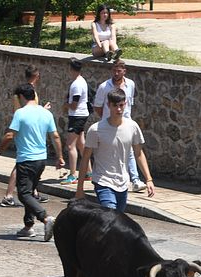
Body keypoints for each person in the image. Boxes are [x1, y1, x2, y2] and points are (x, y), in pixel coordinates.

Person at [0, 83, 62, 240]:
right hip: (41, 160)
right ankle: (28, 226)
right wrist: (60, 157)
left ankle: (45, 218)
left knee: (23, 194)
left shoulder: (20, 113)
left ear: (21, 97)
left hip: (26, 159)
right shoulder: (45, 113)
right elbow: (55, 136)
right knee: (29, 192)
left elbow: (10, 135)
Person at [76, 88, 154, 211]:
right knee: (110, 214)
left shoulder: (132, 127)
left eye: (121, 105)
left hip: (123, 183)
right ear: (108, 105)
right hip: (103, 181)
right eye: (115, 105)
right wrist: (80, 188)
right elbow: (85, 159)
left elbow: (139, 154)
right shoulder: (96, 130)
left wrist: (148, 179)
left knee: (116, 220)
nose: (118, 109)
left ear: (125, 104)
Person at [1, 65, 50, 207]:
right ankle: (9, 195)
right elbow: (27, 110)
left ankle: (33, 192)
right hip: (27, 127)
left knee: (26, 162)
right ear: (36, 75)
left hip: (24, 125)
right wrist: (43, 110)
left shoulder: (22, 89)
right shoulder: (29, 91)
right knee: (21, 163)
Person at [93, 59, 144, 192]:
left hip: (126, 123)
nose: (116, 73)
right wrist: (108, 119)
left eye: (119, 71)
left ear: (124, 71)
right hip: (109, 125)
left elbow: (129, 103)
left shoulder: (130, 85)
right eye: (114, 70)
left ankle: (135, 179)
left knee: (131, 151)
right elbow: (98, 106)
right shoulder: (104, 87)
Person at [62, 58, 90, 186]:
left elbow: (74, 105)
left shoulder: (76, 84)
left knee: (70, 145)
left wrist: (65, 105)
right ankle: (89, 172)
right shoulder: (81, 81)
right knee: (81, 144)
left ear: (71, 69)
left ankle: (73, 174)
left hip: (77, 116)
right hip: (81, 115)